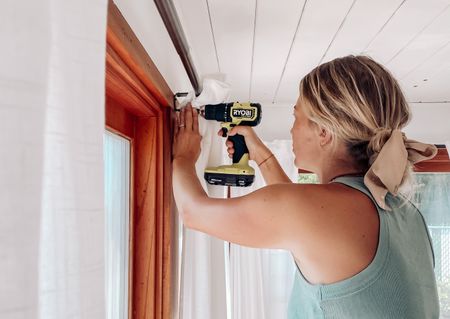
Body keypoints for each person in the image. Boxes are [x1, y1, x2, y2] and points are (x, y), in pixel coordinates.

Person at [172, 55, 439, 318]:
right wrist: (263, 157)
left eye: (295, 117)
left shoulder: (321, 211)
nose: (292, 130)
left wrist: (185, 155)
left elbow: (193, 212)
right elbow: (304, 218)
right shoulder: (405, 213)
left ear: (324, 132)